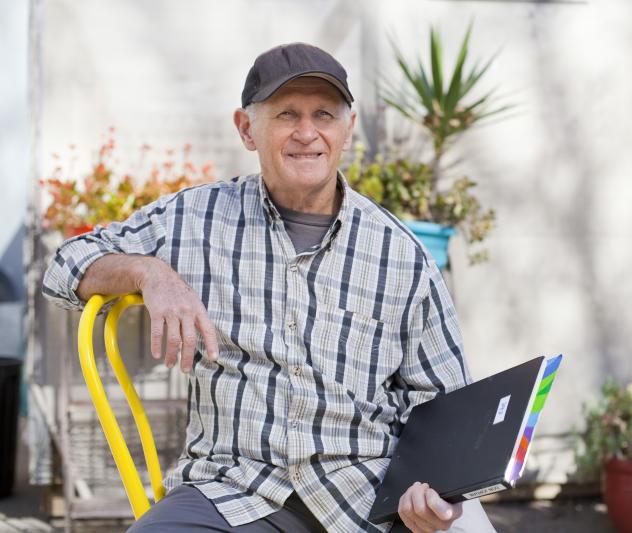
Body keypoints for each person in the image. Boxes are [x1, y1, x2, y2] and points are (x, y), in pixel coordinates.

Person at [43, 42, 496, 533]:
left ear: (348, 128)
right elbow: (64, 265)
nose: (307, 132)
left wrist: (427, 490)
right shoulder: (193, 219)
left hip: (369, 496)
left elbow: (446, 406)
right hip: (233, 490)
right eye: (286, 114)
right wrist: (148, 273)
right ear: (246, 129)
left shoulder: (401, 254)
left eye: (324, 113)